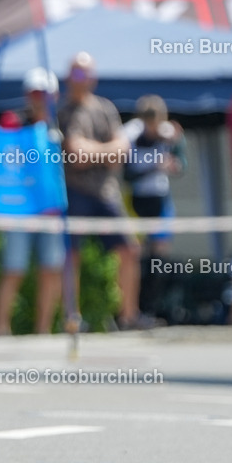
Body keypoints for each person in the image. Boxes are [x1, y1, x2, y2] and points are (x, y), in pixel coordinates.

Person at [59, 52, 152, 331]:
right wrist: (105, 152)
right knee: (71, 255)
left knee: (129, 248)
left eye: (86, 73)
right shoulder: (63, 112)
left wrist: (93, 151)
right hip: (73, 192)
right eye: (77, 73)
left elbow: (121, 151)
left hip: (106, 193)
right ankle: (72, 318)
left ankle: (128, 315)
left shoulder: (105, 108)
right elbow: (76, 154)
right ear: (69, 77)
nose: (82, 78)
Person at [0, 68, 66, 335]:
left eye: (45, 94)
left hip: (51, 211)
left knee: (52, 269)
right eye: (35, 94)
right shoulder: (12, 124)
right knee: (14, 268)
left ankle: (44, 330)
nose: (40, 99)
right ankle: (1, 329)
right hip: (19, 211)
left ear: (55, 96)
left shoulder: (60, 127)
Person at [122, 95, 186, 257]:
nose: (153, 130)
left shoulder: (168, 134)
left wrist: (177, 148)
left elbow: (181, 165)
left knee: (160, 253)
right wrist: (155, 167)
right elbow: (127, 176)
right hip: (137, 199)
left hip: (161, 198)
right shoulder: (131, 135)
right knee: (137, 251)